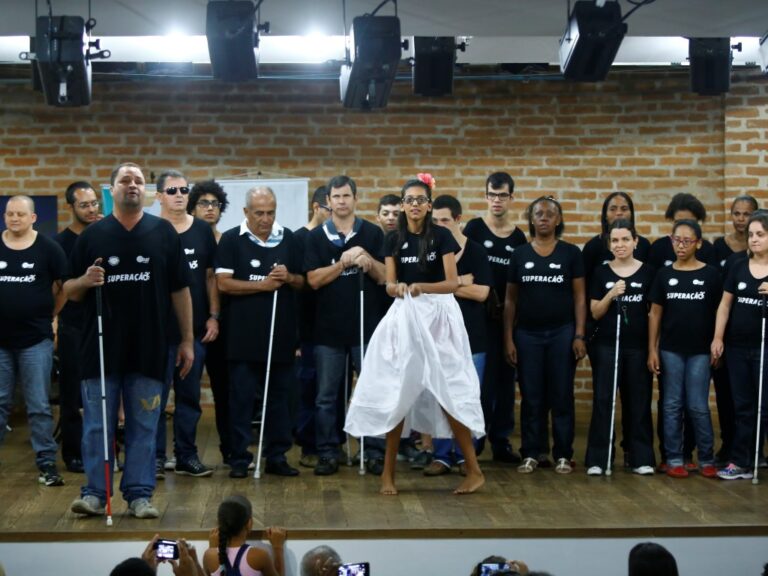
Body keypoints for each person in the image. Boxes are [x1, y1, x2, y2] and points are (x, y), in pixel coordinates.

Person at [344, 174, 486, 495]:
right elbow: (390, 284)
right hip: (406, 316)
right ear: (403, 204)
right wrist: (401, 288)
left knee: (449, 392)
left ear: (429, 204)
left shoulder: (442, 237)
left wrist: (424, 287)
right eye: (409, 200)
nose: (415, 205)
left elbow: (453, 283)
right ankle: (387, 475)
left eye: (421, 200)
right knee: (397, 391)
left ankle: (474, 470)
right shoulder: (393, 239)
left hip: (439, 316)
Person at [68, 162, 194, 519]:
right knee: (97, 424)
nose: (133, 185)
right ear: (112, 190)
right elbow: (69, 290)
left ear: (148, 192)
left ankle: (139, 494)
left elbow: (180, 290)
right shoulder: (92, 236)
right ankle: (94, 493)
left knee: (144, 422)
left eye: (139, 180)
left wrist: (186, 340)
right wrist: (85, 280)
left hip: (151, 346)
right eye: (125, 180)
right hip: (101, 348)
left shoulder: (164, 233)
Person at [215, 187, 303, 478]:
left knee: (280, 399)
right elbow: (224, 284)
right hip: (242, 336)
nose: (266, 219)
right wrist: (262, 286)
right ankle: (240, 458)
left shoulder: (288, 237)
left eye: (271, 212)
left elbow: (303, 282)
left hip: (281, 334)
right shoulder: (230, 239)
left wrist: (287, 277)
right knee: (240, 399)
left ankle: (277, 456)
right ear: (246, 212)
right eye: (259, 213)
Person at [305, 176, 386, 476]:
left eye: (346, 196)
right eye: (336, 196)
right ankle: (328, 451)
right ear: (328, 200)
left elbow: (385, 277)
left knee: (371, 393)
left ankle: (374, 450)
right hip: (328, 331)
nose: (341, 201)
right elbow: (312, 280)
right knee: (326, 396)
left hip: (366, 328)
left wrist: (367, 260)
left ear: (355, 198)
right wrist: (342, 263)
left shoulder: (373, 234)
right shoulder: (315, 237)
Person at [504, 196, 586, 475]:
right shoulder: (520, 254)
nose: (544, 218)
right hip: (527, 335)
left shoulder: (571, 253)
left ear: (558, 220)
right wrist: (508, 338)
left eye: (550, 214)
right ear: (531, 219)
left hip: (562, 333)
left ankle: (563, 453)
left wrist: (579, 334)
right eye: (538, 213)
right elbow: (510, 301)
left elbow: (579, 297)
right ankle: (531, 453)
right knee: (531, 396)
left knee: (562, 395)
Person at [0, 195, 68, 486]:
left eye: (20, 214)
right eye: (9, 214)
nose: (14, 218)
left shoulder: (49, 248)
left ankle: (46, 463)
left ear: (33, 218)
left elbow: (66, 286)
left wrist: (53, 317)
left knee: (38, 404)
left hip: (35, 340)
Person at [155, 170, 218, 479]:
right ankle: (153, 458)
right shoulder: (149, 230)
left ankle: (186, 456)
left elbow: (210, 278)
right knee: (152, 398)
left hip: (192, 332)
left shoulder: (202, 232)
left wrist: (214, 316)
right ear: (159, 196)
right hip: (156, 332)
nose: (179, 195)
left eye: (183, 189)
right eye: (172, 190)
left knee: (189, 398)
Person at [582, 191, 652, 469]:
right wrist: (611, 294)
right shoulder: (601, 273)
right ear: (609, 244)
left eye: (625, 239)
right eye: (615, 240)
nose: (620, 244)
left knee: (638, 403)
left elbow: (653, 312)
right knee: (603, 401)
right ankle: (599, 459)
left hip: (637, 347)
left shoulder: (649, 272)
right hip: (607, 346)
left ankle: (641, 458)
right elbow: (595, 311)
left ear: (635, 241)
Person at [648, 219, 721, 479]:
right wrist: (652, 349)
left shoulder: (711, 275)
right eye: (676, 240)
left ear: (698, 243)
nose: (681, 245)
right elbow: (655, 314)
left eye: (687, 241)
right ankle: (674, 458)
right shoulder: (664, 275)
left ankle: (706, 457)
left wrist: (716, 343)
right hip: (670, 350)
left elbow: (719, 312)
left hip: (701, 351)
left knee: (698, 406)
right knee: (671, 405)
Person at [463, 172, 527, 464]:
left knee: (504, 381)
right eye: (492, 194)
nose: (497, 200)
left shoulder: (518, 238)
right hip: (478, 317)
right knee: (480, 383)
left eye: (503, 195)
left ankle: (501, 440)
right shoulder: (474, 229)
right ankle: (473, 440)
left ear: (511, 198)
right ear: (486, 196)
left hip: (507, 319)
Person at [426, 194, 491, 476]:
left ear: (458, 220)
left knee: (467, 397)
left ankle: (467, 457)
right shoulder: (430, 251)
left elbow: (482, 292)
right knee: (440, 397)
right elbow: (424, 287)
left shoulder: (476, 251)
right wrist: (459, 282)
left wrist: (447, 285)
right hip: (440, 336)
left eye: (444, 220)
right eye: (435, 221)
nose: (439, 225)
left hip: (473, 337)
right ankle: (442, 456)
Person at [712, 211, 768, 480]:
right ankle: (741, 460)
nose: (754, 239)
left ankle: (755, 456)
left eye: (761, 234)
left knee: (762, 405)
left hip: (765, 348)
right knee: (743, 405)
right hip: (737, 348)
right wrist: (718, 337)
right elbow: (725, 305)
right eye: (751, 235)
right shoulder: (737, 266)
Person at [55, 181, 101, 474]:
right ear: (70, 207)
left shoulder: (105, 236)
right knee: (72, 393)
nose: (91, 209)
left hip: (103, 322)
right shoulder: (60, 244)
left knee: (105, 391)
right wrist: (55, 322)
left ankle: (109, 450)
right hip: (73, 325)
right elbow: (60, 288)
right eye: (84, 205)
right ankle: (73, 454)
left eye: (94, 203)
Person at [189, 179, 232, 465]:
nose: (209, 209)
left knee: (226, 393)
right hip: (191, 326)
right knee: (188, 394)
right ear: (192, 208)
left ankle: (231, 451)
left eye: (214, 204)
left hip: (226, 327)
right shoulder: (184, 238)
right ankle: (185, 453)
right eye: (203, 203)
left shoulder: (228, 240)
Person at [294, 185, 332, 468]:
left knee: (331, 392)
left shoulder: (335, 239)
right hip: (306, 330)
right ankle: (309, 446)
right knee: (309, 390)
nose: (335, 214)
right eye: (330, 208)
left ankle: (331, 445)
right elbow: (296, 290)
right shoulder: (299, 239)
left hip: (332, 329)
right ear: (317, 208)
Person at [202, 495, 285, 576]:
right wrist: (278, 547)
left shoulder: (209, 556)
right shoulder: (259, 556)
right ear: (249, 523)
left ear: (219, 524)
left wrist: (212, 548)